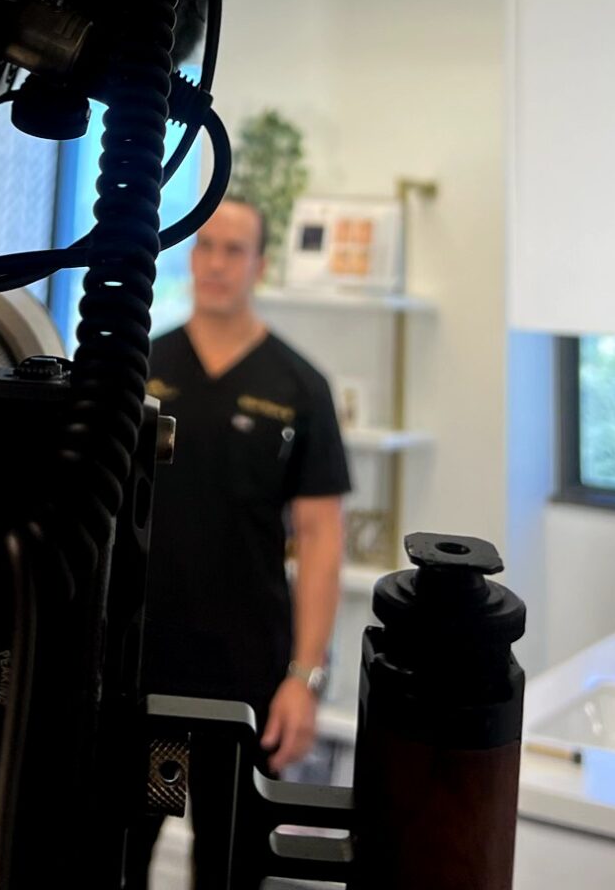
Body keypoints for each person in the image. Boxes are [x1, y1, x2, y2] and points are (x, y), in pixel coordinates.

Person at [129, 195, 349, 884]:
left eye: (234, 249)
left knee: (227, 866)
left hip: (246, 681)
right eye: (206, 246)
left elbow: (319, 537)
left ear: (259, 264)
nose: (217, 263)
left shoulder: (298, 387)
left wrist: (303, 679)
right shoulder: (143, 370)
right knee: (125, 851)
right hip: (147, 674)